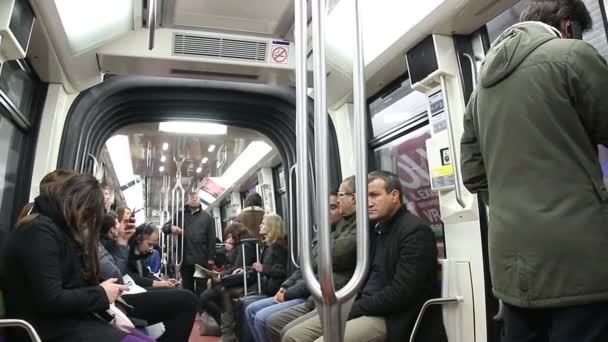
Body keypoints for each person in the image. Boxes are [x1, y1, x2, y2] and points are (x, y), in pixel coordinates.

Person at [460, 1, 608, 341]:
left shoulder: (479, 90)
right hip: (579, 260)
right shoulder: (570, 55)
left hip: (511, 265)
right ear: (568, 26)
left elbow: (472, 174)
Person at [283, 171, 446, 342]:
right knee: (293, 336)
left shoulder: (415, 232)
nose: (368, 203)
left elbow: (402, 293)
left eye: (374, 195)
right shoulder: (374, 229)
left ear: (394, 196)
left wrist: (355, 308)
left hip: (392, 316)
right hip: (362, 304)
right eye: (364, 197)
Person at [0, 173, 144, 342]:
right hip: (46, 331)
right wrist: (101, 293)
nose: (84, 224)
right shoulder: (39, 232)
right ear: (77, 207)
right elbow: (51, 299)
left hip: (65, 324)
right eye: (86, 217)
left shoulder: (55, 231)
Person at [265, 180, 357, 342]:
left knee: (277, 325)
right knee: (263, 316)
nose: (327, 212)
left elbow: (323, 264)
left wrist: (289, 293)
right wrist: (285, 287)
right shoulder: (325, 232)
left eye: (334, 206)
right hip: (316, 295)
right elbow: (305, 267)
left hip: (326, 295)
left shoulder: (344, 228)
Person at [220, 213, 287, 342]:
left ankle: (234, 334)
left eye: (263, 223)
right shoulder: (267, 246)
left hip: (270, 287)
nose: (260, 225)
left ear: (271, 226)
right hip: (262, 283)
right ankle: (231, 333)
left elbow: (282, 272)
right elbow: (259, 266)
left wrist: (264, 269)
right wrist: (247, 269)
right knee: (229, 294)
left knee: (242, 302)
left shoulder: (278, 247)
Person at [163, 189, 217, 293]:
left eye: (196, 198)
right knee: (187, 287)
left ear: (199, 200)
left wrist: (211, 258)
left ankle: (200, 309)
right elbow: (164, 227)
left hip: (201, 260)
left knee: (202, 287)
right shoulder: (179, 215)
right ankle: (191, 308)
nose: (194, 200)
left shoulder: (207, 217)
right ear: (187, 200)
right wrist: (171, 228)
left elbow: (212, 238)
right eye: (192, 198)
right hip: (184, 259)